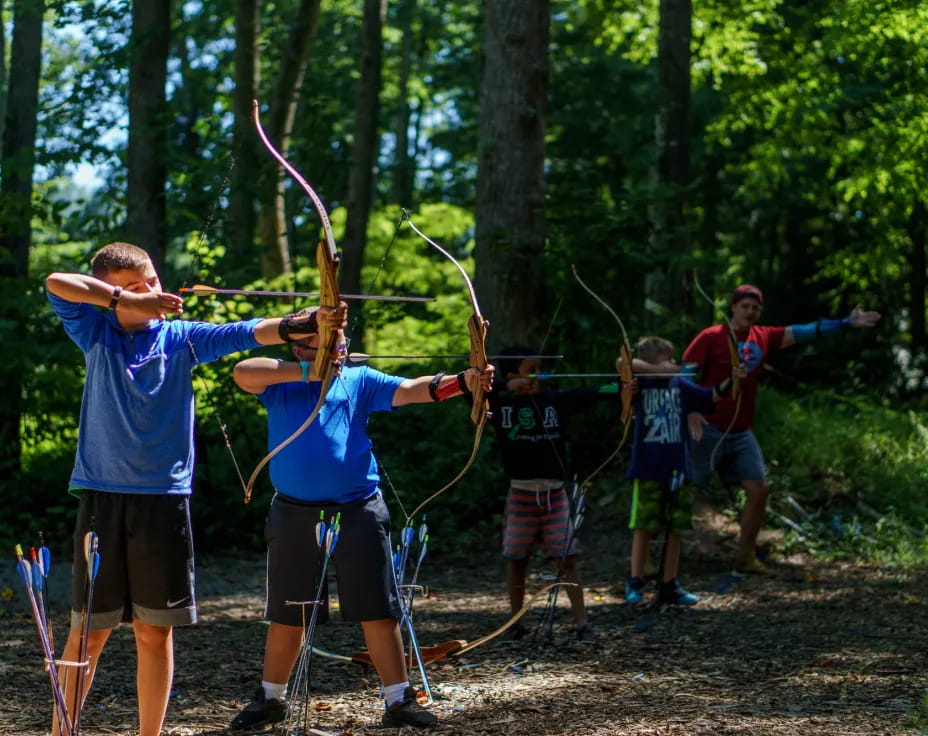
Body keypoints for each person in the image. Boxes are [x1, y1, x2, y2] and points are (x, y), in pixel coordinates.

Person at [44, 242, 337, 736]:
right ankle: (61, 730)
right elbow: (57, 282)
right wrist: (126, 304)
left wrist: (299, 324)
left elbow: (246, 333)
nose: (152, 293)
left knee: (154, 633)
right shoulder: (94, 329)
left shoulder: (180, 338)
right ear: (110, 292)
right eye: (134, 287)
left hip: (163, 499)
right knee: (87, 634)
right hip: (103, 496)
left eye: (153, 282)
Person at [228, 317, 494, 731]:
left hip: (358, 510)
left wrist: (463, 381)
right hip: (294, 512)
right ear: (296, 348)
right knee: (288, 611)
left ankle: (398, 699)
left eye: (328, 344)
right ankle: (270, 698)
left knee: (378, 608)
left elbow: (409, 389)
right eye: (307, 344)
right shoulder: (280, 381)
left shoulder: (360, 379)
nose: (319, 351)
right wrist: (308, 370)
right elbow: (242, 372)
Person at [682, 283, 881, 576]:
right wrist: (691, 411)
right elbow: (684, 375)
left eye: (755, 307)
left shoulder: (764, 337)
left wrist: (845, 323)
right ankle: (656, 557)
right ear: (733, 307)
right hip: (707, 428)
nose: (750, 312)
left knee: (759, 489)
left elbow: (804, 330)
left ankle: (745, 557)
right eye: (745, 306)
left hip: (740, 431)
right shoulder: (711, 336)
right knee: (683, 487)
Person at [485, 348, 622, 644]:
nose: (538, 376)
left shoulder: (554, 402)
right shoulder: (498, 403)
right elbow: (473, 387)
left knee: (567, 559)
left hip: (555, 495)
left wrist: (623, 387)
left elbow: (593, 391)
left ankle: (582, 623)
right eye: (530, 370)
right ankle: (515, 622)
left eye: (539, 370)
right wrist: (507, 387)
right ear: (511, 376)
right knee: (516, 559)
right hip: (520, 494)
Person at [623, 337, 744, 605]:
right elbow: (623, 363)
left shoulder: (682, 386)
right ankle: (635, 583)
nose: (675, 364)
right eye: (669, 359)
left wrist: (732, 378)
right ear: (654, 362)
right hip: (646, 468)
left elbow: (712, 396)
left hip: (678, 469)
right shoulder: (638, 385)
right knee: (643, 527)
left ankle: (669, 584)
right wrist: (657, 371)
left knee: (675, 528)